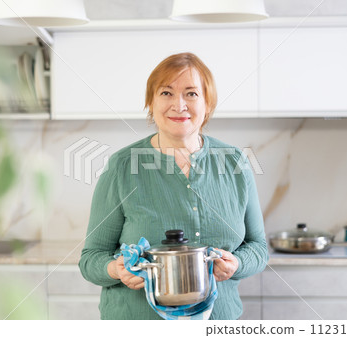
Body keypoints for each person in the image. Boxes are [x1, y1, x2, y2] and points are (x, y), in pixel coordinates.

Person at [79, 52, 268, 320]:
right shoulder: (121, 167)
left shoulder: (234, 162)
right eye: (166, 93)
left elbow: (258, 247)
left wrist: (237, 264)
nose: (179, 105)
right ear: (151, 103)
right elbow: (90, 259)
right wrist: (115, 269)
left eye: (191, 94)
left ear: (208, 104)